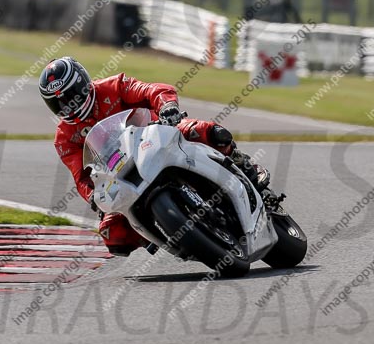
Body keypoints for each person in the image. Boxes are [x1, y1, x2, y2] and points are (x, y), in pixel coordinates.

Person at [39, 56, 270, 255]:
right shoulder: (64, 138)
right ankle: (158, 232)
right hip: (119, 173)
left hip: (155, 136)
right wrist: (93, 196)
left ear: (83, 84)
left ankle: (246, 166)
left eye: (70, 96)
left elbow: (152, 90)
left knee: (211, 133)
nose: (67, 105)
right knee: (113, 234)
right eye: (57, 102)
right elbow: (81, 177)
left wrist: (167, 106)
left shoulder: (114, 86)